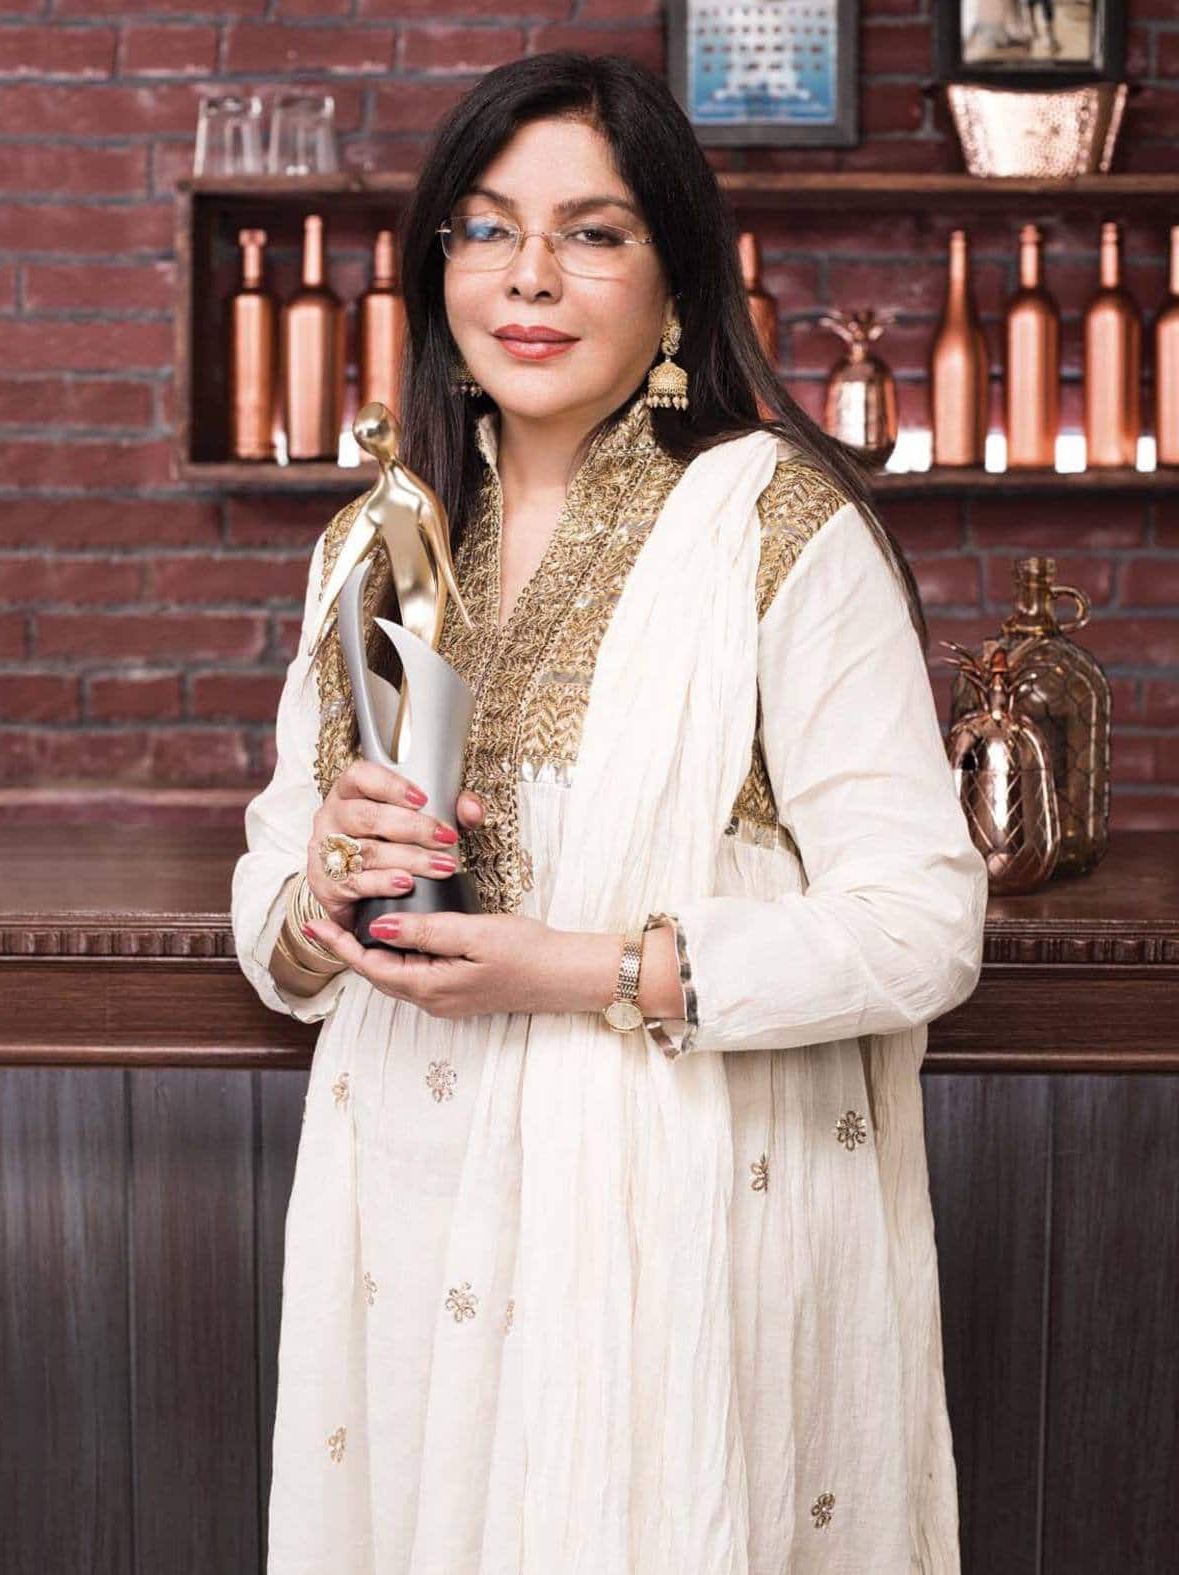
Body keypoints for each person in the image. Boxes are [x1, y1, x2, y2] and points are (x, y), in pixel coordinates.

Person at [232, 51, 988, 1575]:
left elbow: (923, 926)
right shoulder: (378, 544)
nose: (529, 276)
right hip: (409, 1227)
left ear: (677, 281)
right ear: (436, 263)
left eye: (592, 232)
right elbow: (272, 900)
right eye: (485, 227)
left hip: (665, 1233)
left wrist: (578, 971)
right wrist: (323, 886)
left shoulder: (774, 525)